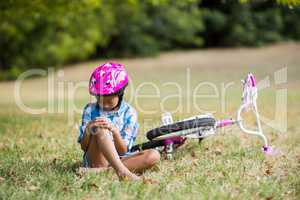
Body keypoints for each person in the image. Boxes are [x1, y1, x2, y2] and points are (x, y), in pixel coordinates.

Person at [78, 62, 160, 180]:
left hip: (120, 159)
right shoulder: (89, 110)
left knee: (154, 155)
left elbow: (123, 151)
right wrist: (88, 129)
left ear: (120, 94)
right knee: (101, 130)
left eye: (109, 101)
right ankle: (122, 172)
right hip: (97, 159)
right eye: (100, 100)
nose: (105, 105)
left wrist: (115, 132)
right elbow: (84, 147)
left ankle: (99, 172)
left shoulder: (129, 113)